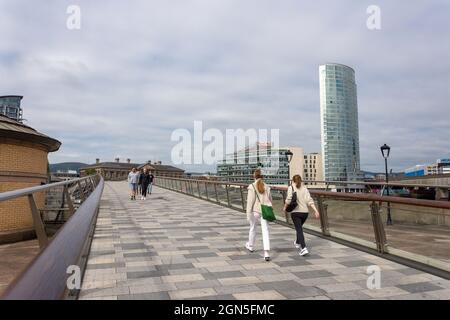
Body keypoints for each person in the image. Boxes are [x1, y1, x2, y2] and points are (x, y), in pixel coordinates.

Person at [284, 174, 320, 256]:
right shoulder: (304, 188)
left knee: (299, 229)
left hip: (295, 213)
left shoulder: (291, 187)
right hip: (305, 213)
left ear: (293, 181)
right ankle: (297, 242)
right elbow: (309, 200)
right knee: (299, 228)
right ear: (301, 180)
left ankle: (303, 248)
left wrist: (285, 207)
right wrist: (316, 210)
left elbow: (289, 199)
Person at [245, 169, 272, 261]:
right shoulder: (267, 187)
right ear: (262, 177)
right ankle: (266, 253)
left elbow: (250, 202)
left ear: (254, 176)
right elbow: (270, 200)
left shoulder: (252, 186)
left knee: (252, 228)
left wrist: (248, 214)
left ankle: (251, 245)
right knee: (265, 231)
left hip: (255, 211)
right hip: (265, 211)